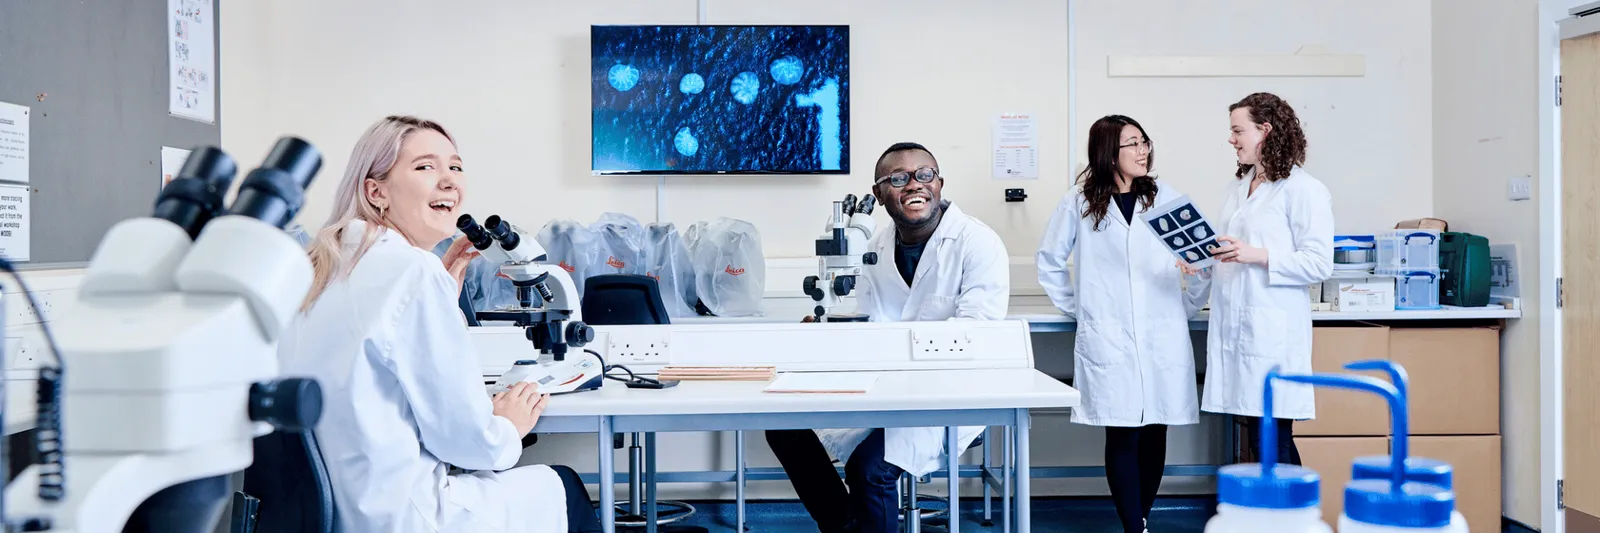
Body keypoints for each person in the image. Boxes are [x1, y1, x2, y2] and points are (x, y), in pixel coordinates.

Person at [277, 115, 602, 533]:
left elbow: (373, 353)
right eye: (425, 167)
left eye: (456, 167)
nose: (449, 181)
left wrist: (441, 295)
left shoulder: (321, 265)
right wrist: (508, 426)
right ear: (376, 191)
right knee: (562, 486)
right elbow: (469, 444)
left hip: (325, 513)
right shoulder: (412, 271)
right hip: (403, 518)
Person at [765, 142, 1010, 533]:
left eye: (924, 175)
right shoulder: (875, 246)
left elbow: (975, 337)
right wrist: (827, 331)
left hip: (948, 395)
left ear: (940, 183)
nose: (914, 184)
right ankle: (846, 525)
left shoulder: (977, 243)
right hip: (884, 389)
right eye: (898, 178)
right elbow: (869, 321)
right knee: (785, 428)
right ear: (879, 195)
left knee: (869, 467)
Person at [1036, 115, 1208, 533]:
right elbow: (1050, 262)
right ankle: (1134, 526)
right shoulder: (1078, 202)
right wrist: (1084, 309)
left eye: (1144, 141)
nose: (1143, 150)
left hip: (1162, 333)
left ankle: (1142, 517)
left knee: (1155, 430)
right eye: (1132, 144)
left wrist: (1186, 304)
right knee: (1123, 433)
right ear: (1108, 152)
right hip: (1108, 336)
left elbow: (1203, 260)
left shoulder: (1168, 199)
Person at [1203, 93, 1335, 465]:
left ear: (1266, 130)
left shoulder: (1304, 189)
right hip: (1237, 323)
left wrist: (1254, 254)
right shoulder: (1240, 184)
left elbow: (1319, 263)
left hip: (1272, 330)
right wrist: (1202, 256)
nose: (1232, 139)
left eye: (1237, 130)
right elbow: (1232, 242)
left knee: (1272, 436)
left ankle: (1292, 518)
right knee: (1257, 434)